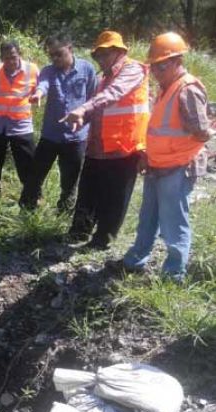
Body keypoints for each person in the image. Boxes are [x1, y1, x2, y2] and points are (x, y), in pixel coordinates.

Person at [121, 32, 214, 280]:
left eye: (161, 66)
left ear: (176, 62)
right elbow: (161, 130)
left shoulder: (187, 89)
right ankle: (136, 259)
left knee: (173, 223)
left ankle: (174, 273)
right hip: (157, 165)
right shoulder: (167, 87)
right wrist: (148, 156)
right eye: (154, 67)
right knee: (148, 217)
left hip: (178, 166)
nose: (156, 72)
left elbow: (201, 132)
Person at [62, 31, 150, 249]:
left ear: (119, 52)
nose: (101, 59)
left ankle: (103, 240)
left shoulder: (133, 70)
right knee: (88, 190)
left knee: (115, 197)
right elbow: (98, 107)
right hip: (98, 146)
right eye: (98, 55)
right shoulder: (104, 78)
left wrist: (83, 108)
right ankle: (79, 232)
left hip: (123, 147)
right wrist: (82, 118)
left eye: (105, 54)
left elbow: (115, 93)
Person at [23, 33, 97, 211]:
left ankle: (64, 213)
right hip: (51, 135)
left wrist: (88, 125)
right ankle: (27, 209)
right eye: (51, 55)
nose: (55, 58)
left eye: (59, 53)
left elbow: (93, 99)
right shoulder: (48, 70)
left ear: (70, 49)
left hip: (76, 137)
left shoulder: (87, 69)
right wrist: (38, 94)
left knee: (69, 180)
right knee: (35, 175)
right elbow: (44, 85)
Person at [0, 40, 39, 201]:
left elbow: (40, 90)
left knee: (27, 163)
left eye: (13, 57)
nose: (10, 61)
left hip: (21, 125)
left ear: (19, 55)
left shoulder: (32, 70)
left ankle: (32, 197)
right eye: (6, 58)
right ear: (1, 58)